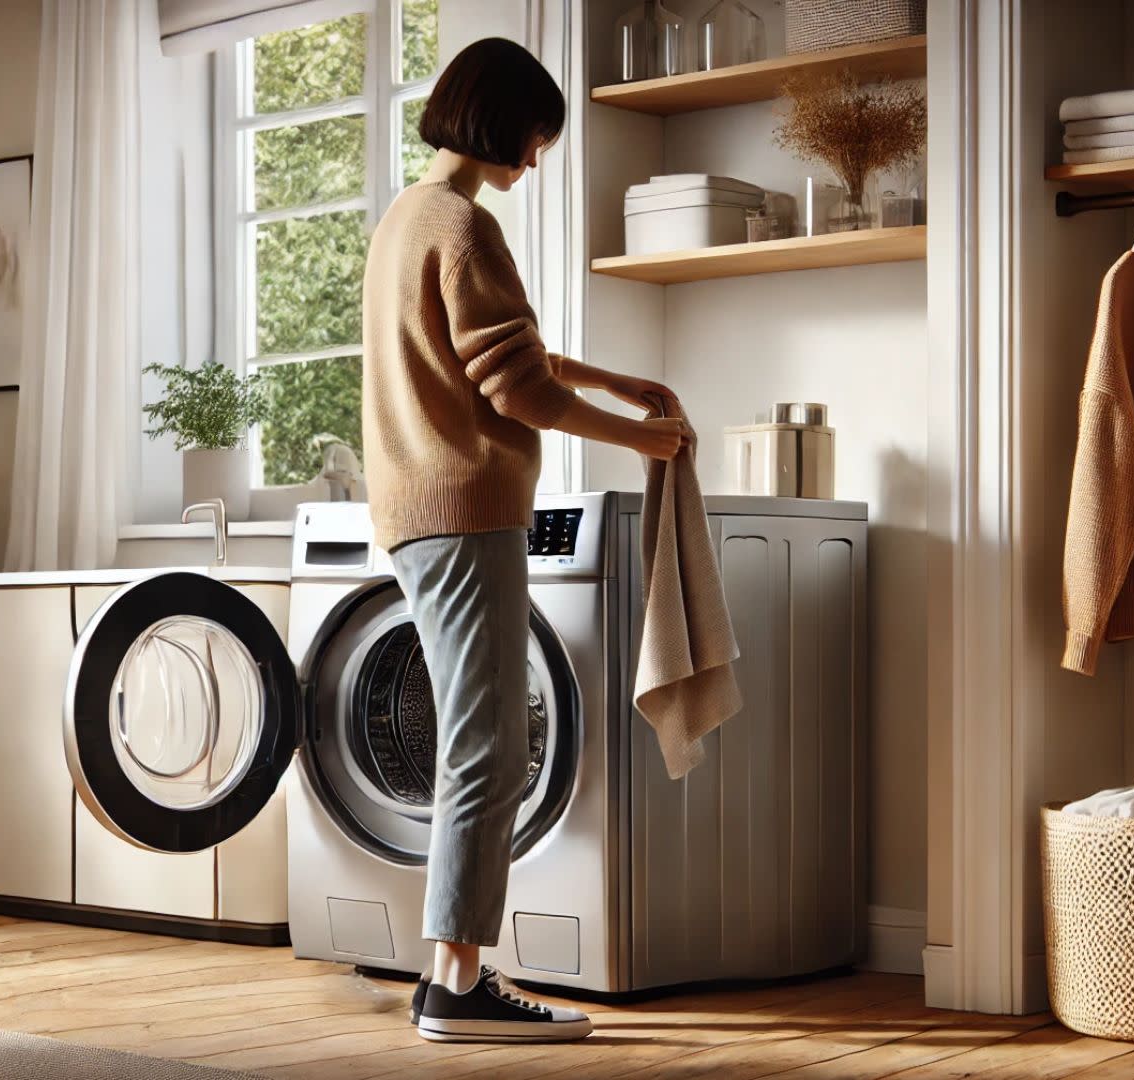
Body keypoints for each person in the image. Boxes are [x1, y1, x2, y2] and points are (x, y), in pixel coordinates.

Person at [361, 36, 692, 1043]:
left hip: (419, 512)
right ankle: (460, 984)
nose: (534, 163)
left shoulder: (406, 222)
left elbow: (505, 354)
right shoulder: (464, 226)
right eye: (533, 141)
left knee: (480, 740)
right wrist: (646, 435)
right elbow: (515, 388)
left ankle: (442, 975)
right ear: (500, 123)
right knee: (490, 748)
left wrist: (615, 380)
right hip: (466, 508)